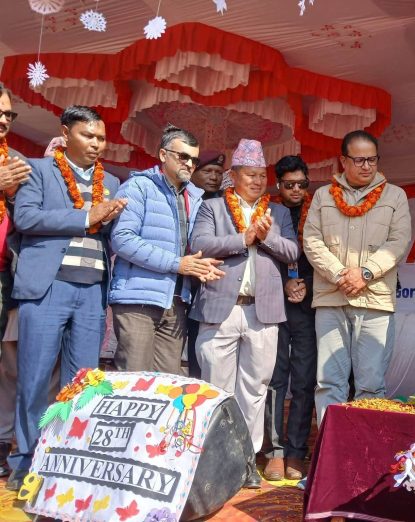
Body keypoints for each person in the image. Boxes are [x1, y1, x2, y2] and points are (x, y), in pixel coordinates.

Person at [7, 105, 126, 489]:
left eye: (101, 138)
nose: (96, 144)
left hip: (92, 292)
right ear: (65, 133)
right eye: (88, 135)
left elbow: (110, 234)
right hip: (48, 287)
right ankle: (25, 463)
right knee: (35, 379)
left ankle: (69, 460)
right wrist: (86, 216)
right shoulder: (38, 170)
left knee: (83, 384)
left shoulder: (112, 183)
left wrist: (111, 218)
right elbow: (26, 218)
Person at [190, 139, 298, 488]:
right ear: (233, 176)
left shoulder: (278, 213)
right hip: (220, 308)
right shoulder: (212, 207)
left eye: (261, 175)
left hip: (262, 312)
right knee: (216, 388)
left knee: (255, 389)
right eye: (250, 174)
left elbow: (292, 251)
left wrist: (265, 237)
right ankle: (212, 461)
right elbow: (199, 244)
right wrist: (243, 237)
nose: (257, 181)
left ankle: (245, 460)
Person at [304, 130, 412, 424]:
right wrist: (340, 274)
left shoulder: (395, 196)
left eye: (372, 160)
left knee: (371, 385)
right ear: (343, 161)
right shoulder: (323, 196)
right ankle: (330, 445)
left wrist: (365, 273)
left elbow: (399, 241)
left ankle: (365, 447)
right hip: (331, 298)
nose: (367, 166)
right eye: (359, 160)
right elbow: (312, 241)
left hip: (375, 299)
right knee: (328, 382)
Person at [109, 125, 223, 375]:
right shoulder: (139, 186)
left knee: (166, 384)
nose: (189, 164)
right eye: (183, 157)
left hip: (176, 302)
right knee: (134, 381)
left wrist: (201, 265)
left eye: (194, 160)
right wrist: (178, 264)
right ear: (163, 154)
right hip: (138, 300)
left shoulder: (194, 196)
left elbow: (192, 248)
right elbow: (122, 239)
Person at [263, 155, 315, 481]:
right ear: (278, 185)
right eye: (289, 185)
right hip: (275, 303)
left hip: (310, 305)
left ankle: (296, 450)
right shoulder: (267, 213)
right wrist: (284, 282)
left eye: (301, 184)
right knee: (275, 379)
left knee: (305, 380)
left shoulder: (321, 209)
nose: (296, 190)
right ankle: (275, 451)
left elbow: (327, 254)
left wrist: (306, 284)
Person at [0, 85, 32, 478]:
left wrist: (12, 193)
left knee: (7, 364)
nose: (4, 119)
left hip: (6, 274)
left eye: (9, 114)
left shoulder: (13, 161)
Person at [186, 150, 225, 378]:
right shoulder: (184, 197)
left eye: (218, 172)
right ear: (193, 172)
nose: (214, 177)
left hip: (212, 284)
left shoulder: (226, 202)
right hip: (183, 280)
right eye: (208, 171)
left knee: (208, 350)